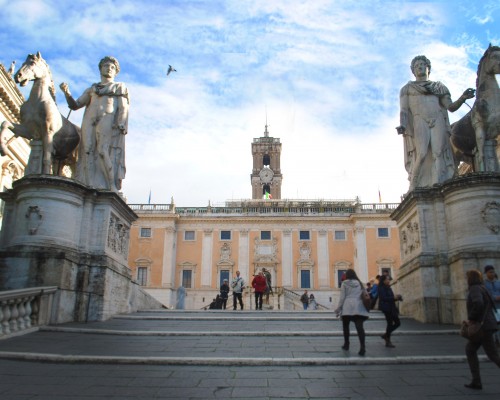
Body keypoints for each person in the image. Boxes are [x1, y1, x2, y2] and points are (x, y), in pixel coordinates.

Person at [396, 55, 474, 191]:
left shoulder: (439, 87)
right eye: (417, 66)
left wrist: (463, 98)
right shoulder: (407, 89)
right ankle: (414, 184)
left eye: (422, 65)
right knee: (421, 153)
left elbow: (450, 107)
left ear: (428, 68)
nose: (420, 67)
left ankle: (439, 183)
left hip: (438, 119)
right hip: (419, 120)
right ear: (413, 71)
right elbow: (404, 110)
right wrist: (403, 125)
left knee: (438, 152)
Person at [60, 56, 129, 192]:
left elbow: (123, 108)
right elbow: (75, 105)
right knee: (87, 150)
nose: (109, 69)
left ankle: (111, 186)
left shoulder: (119, 87)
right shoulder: (92, 89)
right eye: (106, 66)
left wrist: (121, 123)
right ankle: (88, 185)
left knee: (103, 151)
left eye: (112, 67)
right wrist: (67, 93)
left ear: (115, 72)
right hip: (89, 119)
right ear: (100, 69)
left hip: (107, 119)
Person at [464, 269, 500, 390]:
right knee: (470, 350)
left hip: (482, 326)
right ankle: (476, 381)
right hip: (487, 325)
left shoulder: (474, 288)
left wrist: (472, 318)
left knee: (493, 355)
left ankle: (476, 381)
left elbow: (478, 303)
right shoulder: (483, 287)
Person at [334, 269, 369, 356]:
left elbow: (342, 298)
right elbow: (365, 294)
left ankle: (346, 344)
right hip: (358, 306)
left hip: (347, 307)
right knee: (360, 328)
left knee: (346, 327)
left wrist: (338, 309)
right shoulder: (359, 283)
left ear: (347, 276)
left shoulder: (344, 283)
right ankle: (362, 347)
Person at [378, 274, 402, 348]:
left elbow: (390, 297)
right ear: (384, 280)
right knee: (390, 323)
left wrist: (397, 297)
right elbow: (383, 298)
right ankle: (387, 340)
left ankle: (386, 335)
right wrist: (393, 297)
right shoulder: (381, 288)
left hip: (391, 307)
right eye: (387, 279)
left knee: (397, 323)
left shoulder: (388, 287)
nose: (389, 280)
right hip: (386, 308)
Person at [483, 265, 500, 346]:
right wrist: (494, 297)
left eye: (493, 272)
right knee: (493, 324)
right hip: (490, 307)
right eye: (490, 272)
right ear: (486, 273)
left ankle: (498, 339)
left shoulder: (498, 282)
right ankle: (493, 340)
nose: (492, 274)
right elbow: (485, 294)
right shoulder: (484, 284)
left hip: (499, 306)